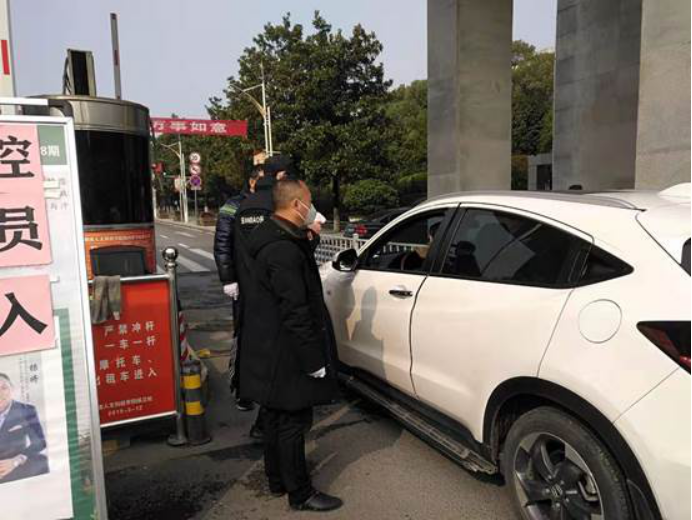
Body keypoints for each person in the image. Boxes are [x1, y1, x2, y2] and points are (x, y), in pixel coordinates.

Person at [239, 179, 342, 512]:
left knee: (274, 416)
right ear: (297, 205)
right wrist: (313, 360)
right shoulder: (282, 250)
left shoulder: (275, 236)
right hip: (286, 349)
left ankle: (277, 479)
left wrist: (310, 236)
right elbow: (296, 310)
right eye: (309, 201)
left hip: (270, 344)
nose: (313, 208)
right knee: (293, 421)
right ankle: (301, 493)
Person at [214, 166, 264, 414]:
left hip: (266, 283)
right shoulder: (233, 205)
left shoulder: (271, 203)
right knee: (244, 335)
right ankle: (242, 389)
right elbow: (222, 243)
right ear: (252, 182)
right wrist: (228, 279)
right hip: (243, 284)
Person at [0, 374, 49, 485]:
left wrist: (16, 461)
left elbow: (40, 442)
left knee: (42, 461)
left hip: (16, 463)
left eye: (4, 388)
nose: (0, 394)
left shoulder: (26, 410)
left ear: (12, 389)